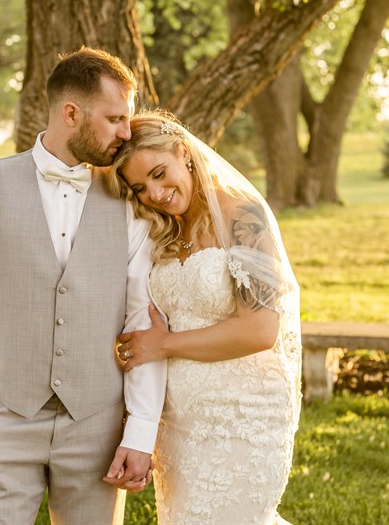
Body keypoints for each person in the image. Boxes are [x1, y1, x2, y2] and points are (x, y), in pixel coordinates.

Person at [0, 48, 166, 525]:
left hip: (97, 423)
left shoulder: (129, 202)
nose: (127, 132)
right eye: (115, 118)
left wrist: (139, 429)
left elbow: (143, 320)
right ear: (71, 113)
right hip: (3, 414)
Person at [108, 110, 302, 525]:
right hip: (180, 423)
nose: (155, 193)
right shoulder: (165, 228)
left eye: (161, 173)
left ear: (184, 152)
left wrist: (164, 345)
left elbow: (261, 329)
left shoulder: (243, 216)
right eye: (141, 187)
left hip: (244, 416)